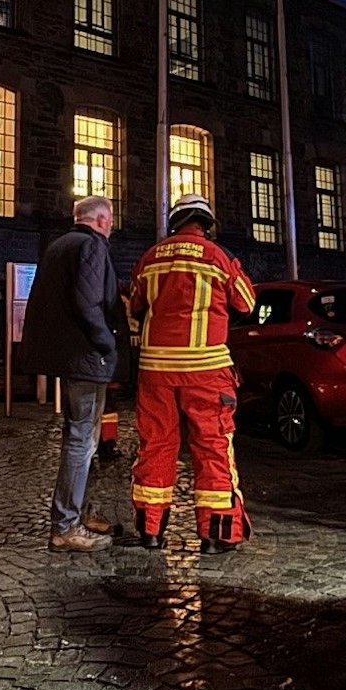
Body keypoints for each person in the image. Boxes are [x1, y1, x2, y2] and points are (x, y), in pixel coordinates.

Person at [128, 193, 258, 554]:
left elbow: (135, 304)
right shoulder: (218, 257)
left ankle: (151, 532)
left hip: (156, 370)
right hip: (206, 370)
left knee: (155, 445)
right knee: (212, 447)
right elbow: (247, 303)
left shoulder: (150, 257)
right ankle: (216, 535)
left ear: (176, 222)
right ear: (206, 224)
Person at [20, 196, 122, 552]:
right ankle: (66, 525)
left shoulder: (59, 245)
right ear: (103, 220)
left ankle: (81, 512)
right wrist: (107, 343)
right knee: (82, 439)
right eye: (111, 220)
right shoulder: (92, 246)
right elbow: (89, 302)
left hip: (68, 356)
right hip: (87, 356)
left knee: (81, 437)